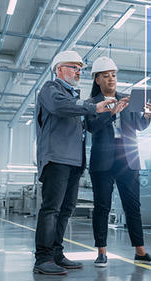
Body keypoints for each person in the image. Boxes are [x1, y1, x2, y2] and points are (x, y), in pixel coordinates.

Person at [33, 50, 116, 275]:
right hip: (56, 158)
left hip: (73, 161)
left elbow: (86, 125)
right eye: (73, 67)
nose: (78, 72)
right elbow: (60, 108)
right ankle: (43, 258)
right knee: (51, 209)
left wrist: (110, 111)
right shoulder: (51, 89)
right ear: (59, 69)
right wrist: (94, 106)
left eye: (80, 69)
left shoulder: (72, 96)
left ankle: (56, 254)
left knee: (65, 209)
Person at [85, 56, 151, 267]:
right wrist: (112, 113)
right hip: (103, 161)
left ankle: (140, 252)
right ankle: (101, 252)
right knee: (102, 206)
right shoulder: (91, 104)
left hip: (128, 157)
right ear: (97, 80)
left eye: (114, 75)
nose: (111, 79)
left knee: (133, 206)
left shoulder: (128, 99)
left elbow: (138, 126)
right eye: (106, 76)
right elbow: (91, 128)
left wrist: (147, 116)